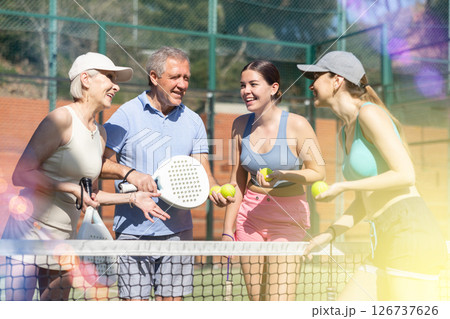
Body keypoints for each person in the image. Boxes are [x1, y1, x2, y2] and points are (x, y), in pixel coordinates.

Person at [2, 52, 169, 301]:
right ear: (86, 79)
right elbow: (21, 174)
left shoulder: (100, 133)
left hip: (63, 240)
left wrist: (134, 198)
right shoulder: (60, 119)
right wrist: (68, 187)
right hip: (27, 235)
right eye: (109, 77)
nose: (115, 85)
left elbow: (89, 194)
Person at [299, 51, 447, 301]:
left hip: (409, 231)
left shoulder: (369, 114)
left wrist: (343, 186)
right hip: (383, 236)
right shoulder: (344, 131)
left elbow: (405, 174)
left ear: (337, 81)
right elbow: (364, 201)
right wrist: (330, 233)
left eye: (316, 76)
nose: (311, 84)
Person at [101, 46, 228, 301]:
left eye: (186, 78)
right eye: (175, 77)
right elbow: (100, 163)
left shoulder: (193, 121)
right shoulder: (126, 114)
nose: (182, 84)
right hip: (133, 232)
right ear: (154, 77)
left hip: (178, 233)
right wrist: (130, 174)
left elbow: (203, 170)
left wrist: (213, 188)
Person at [221, 60, 326, 301]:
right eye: (242, 85)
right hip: (250, 218)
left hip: (288, 219)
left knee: (280, 303)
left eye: (253, 84)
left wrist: (284, 175)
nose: (246, 91)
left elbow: (318, 172)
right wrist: (228, 231)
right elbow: (237, 180)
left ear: (273, 87)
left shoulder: (298, 125)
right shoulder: (239, 125)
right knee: (257, 302)